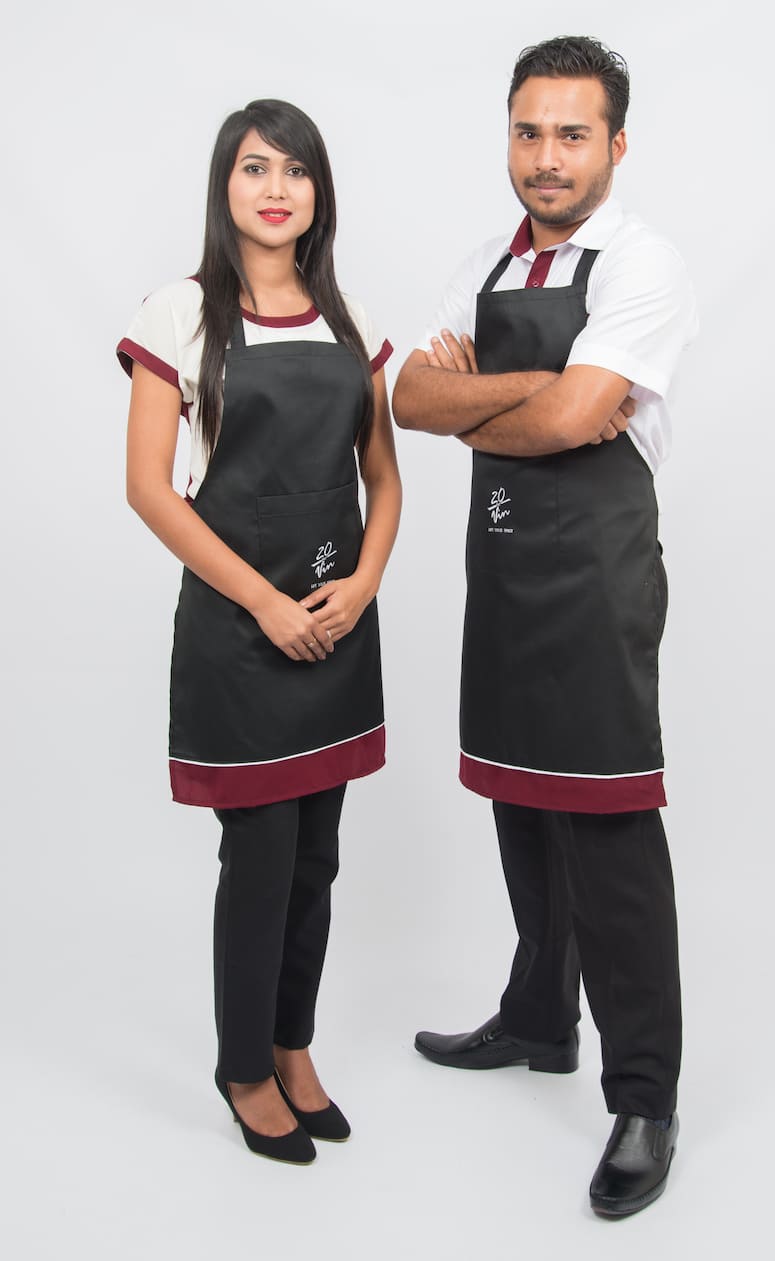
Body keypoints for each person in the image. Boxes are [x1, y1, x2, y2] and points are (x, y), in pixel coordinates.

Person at [393, 36, 696, 1216]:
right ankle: (536, 1018)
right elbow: (408, 395)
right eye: (528, 131)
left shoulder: (642, 261)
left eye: (572, 134)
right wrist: (539, 391)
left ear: (615, 144)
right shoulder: (485, 261)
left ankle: (644, 1096)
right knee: (519, 800)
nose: (547, 156)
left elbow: (580, 419)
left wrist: (502, 401)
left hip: (593, 576)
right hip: (505, 565)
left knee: (606, 827)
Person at [119, 99, 401, 1164]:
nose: (275, 188)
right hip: (242, 636)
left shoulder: (348, 318)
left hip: (335, 625)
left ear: (319, 191)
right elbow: (150, 489)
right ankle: (243, 1065)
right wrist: (267, 604)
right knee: (263, 854)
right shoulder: (181, 312)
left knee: (318, 855)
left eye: (294, 169)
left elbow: (383, 482)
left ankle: (293, 1044)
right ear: (223, 186)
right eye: (253, 167)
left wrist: (361, 584)